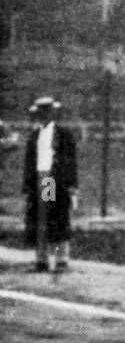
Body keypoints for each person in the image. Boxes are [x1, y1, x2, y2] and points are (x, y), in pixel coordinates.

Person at [22, 97, 78, 273]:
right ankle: (41, 260)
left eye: (46, 112)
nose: (43, 116)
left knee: (55, 219)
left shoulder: (62, 134)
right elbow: (29, 162)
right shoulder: (34, 135)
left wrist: (71, 185)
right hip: (38, 179)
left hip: (51, 180)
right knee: (38, 220)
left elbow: (70, 161)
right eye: (40, 113)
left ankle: (61, 259)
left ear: (52, 113)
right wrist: (27, 186)